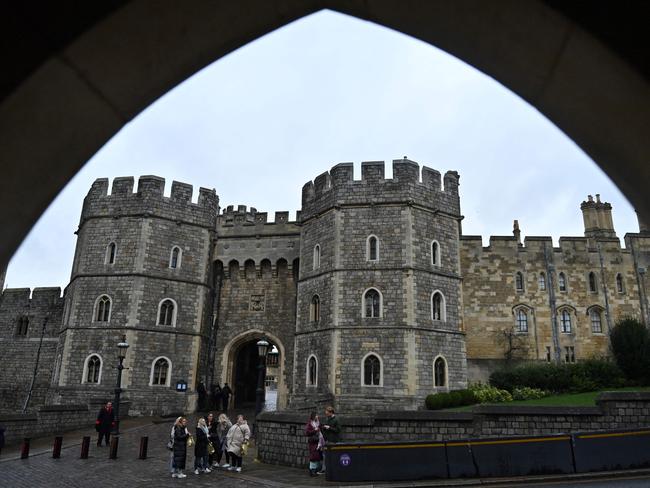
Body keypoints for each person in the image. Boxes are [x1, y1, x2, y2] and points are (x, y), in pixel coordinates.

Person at [319, 406, 341, 474]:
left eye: (327, 412)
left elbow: (338, 430)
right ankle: (324, 469)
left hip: (333, 440)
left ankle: (332, 469)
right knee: (324, 455)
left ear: (331, 412)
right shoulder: (327, 419)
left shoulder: (336, 419)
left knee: (332, 455)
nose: (326, 413)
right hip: (327, 440)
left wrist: (329, 428)